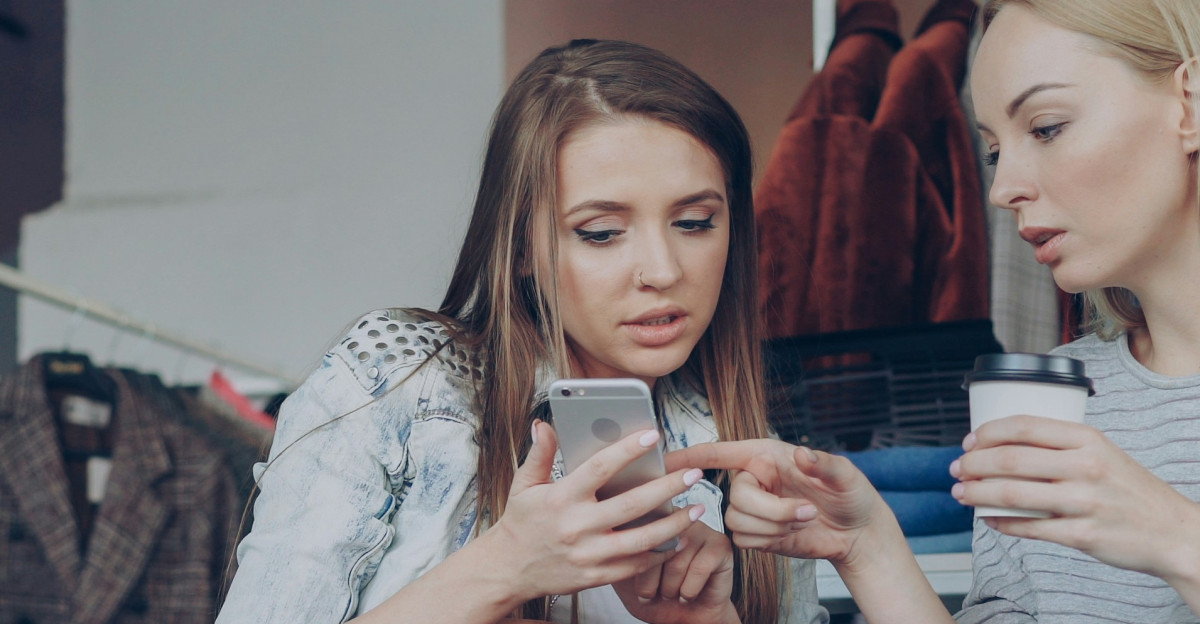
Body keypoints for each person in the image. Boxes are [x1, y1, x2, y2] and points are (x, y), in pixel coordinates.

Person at [215, 39, 827, 624]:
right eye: (601, 232)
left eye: (695, 222)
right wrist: (505, 566)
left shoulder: (743, 448)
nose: (664, 271)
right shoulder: (398, 384)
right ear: (520, 248)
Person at [668, 1, 1200, 622]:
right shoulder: (1051, 391)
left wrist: (1175, 538)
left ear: (1188, 103)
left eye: (1047, 126)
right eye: (996, 151)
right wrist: (864, 544)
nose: (1002, 190)